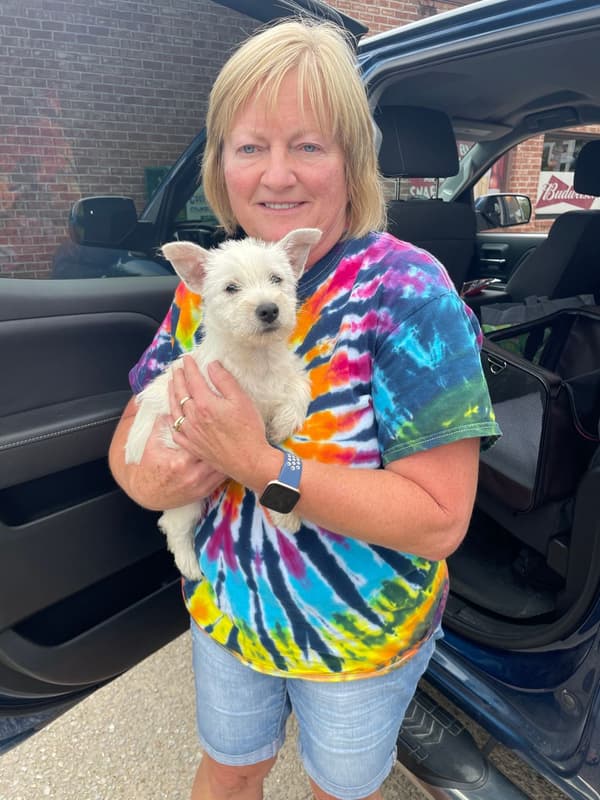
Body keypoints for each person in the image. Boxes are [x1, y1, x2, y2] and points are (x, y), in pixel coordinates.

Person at [108, 18, 501, 800]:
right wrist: (150, 482)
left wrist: (256, 464)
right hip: (226, 612)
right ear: (221, 164)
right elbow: (133, 428)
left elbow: (438, 521)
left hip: (356, 633)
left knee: (338, 786)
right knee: (232, 765)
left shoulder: (410, 294)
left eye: (309, 145)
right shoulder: (213, 282)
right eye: (250, 146)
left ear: (353, 161)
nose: (276, 174)